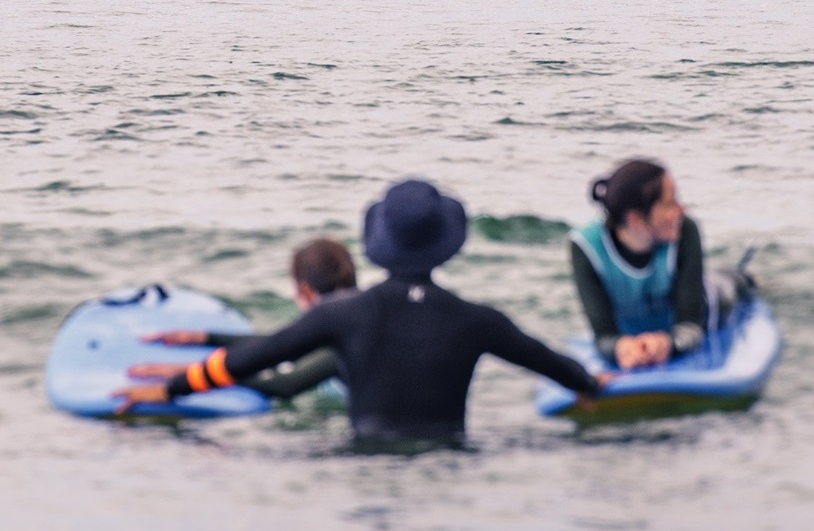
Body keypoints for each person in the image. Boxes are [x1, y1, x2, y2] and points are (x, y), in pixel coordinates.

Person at [115, 179, 606, 444]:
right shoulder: (478, 320)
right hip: (450, 470)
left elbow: (262, 354)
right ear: (448, 246)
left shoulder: (344, 316)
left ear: (378, 246)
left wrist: (173, 386)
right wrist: (588, 385)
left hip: (363, 470)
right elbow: (547, 362)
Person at [570, 159, 752, 371]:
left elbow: (691, 326)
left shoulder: (686, 230)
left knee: (732, 284)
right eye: (669, 204)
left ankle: (746, 278)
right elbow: (603, 335)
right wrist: (620, 347)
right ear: (636, 219)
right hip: (646, 330)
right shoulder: (585, 247)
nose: (681, 210)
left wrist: (669, 343)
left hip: (709, 302)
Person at [128, 237, 357, 400]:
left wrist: (193, 373)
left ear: (305, 292)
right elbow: (280, 345)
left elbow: (284, 384)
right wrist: (206, 337)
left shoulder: (343, 338)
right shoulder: (360, 316)